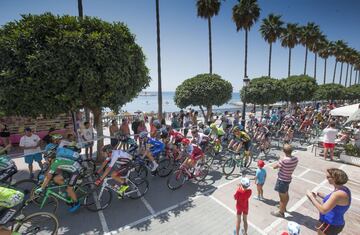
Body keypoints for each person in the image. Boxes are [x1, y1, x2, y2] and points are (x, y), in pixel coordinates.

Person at [36, 146, 83, 212]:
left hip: (76, 172)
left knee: (69, 189)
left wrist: (42, 188)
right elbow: (56, 170)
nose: (46, 160)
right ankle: (70, 189)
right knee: (56, 178)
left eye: (47, 158)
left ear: (50, 158)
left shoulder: (56, 162)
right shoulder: (56, 160)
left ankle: (76, 203)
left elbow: (48, 177)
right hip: (70, 170)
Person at [306, 168, 351, 235]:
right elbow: (336, 202)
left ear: (335, 178)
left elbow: (323, 210)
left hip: (329, 224)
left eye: (328, 177)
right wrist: (324, 196)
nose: (326, 179)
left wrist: (311, 197)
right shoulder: (343, 189)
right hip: (333, 223)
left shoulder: (338, 194)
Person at [271, 144, 298, 218]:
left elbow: (275, 166)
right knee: (286, 194)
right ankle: (283, 207)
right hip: (288, 179)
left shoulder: (283, 160)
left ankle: (281, 212)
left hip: (282, 180)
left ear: (284, 151)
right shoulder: (295, 159)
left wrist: (278, 161)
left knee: (282, 197)